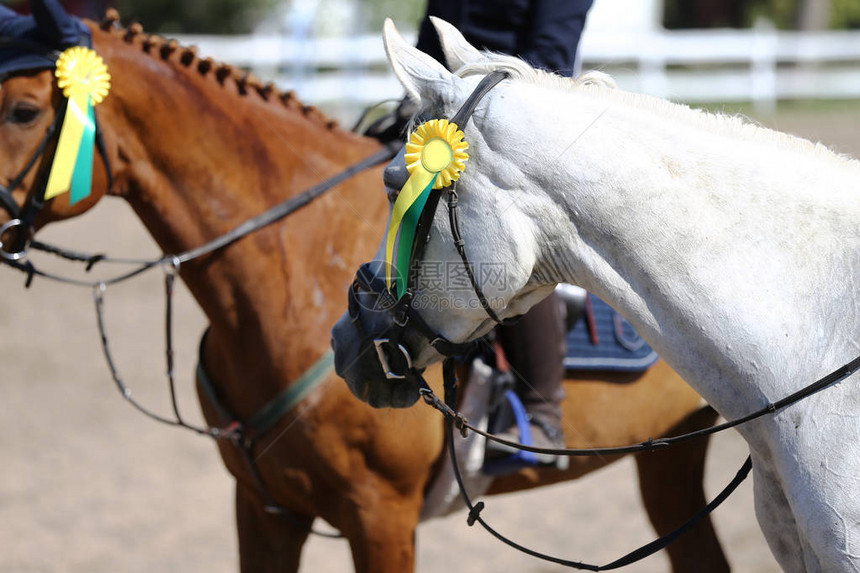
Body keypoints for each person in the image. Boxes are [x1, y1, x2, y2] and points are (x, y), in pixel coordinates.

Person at [367, 0, 594, 459]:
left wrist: (469, 111)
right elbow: (431, 44)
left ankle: (542, 410)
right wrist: (408, 113)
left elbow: (550, 57)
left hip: (520, 121)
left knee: (505, 231)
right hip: (448, 118)